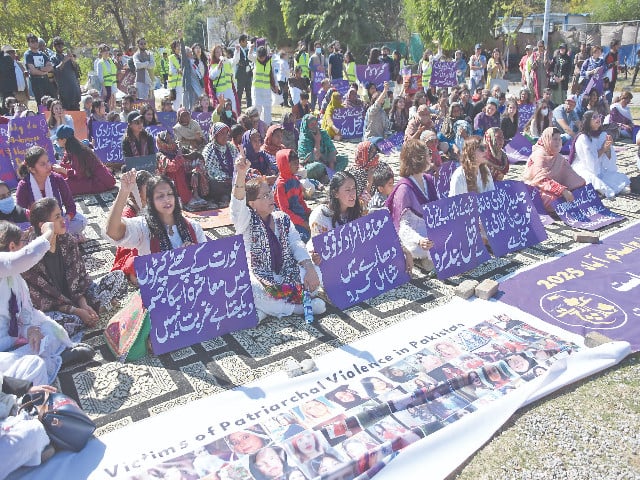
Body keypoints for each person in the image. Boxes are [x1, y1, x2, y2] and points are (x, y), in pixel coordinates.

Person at [231, 152, 324, 322]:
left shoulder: (282, 218)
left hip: (286, 272)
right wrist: (241, 174)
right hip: (260, 277)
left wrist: (309, 268)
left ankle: (266, 310)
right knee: (250, 289)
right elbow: (237, 206)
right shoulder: (246, 221)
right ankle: (297, 308)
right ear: (251, 203)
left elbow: (296, 243)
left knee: (318, 274)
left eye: (270, 193)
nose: (270, 198)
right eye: (264, 196)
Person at [0, 220, 96, 375]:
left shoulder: (68, 243)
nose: (62, 221)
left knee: (50, 330)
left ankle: (53, 356)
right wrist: (47, 233)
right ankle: (49, 361)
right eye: (24, 242)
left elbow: (25, 313)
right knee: (33, 366)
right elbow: (24, 258)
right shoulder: (18, 265)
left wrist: (31, 330)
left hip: (16, 337)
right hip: (4, 349)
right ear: (12, 247)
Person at [22, 198, 127, 336]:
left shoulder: (68, 241)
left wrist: (83, 304)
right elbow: (43, 301)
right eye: (57, 216)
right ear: (43, 226)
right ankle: (92, 312)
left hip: (76, 297)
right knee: (57, 325)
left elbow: (80, 277)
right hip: (56, 309)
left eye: (61, 214)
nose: (63, 220)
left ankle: (91, 310)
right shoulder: (30, 255)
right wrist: (76, 311)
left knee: (118, 277)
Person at [106, 170, 207, 266]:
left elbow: (206, 260)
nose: (167, 200)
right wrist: (123, 192)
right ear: (150, 201)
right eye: (160, 196)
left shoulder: (193, 226)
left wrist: (194, 253)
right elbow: (112, 232)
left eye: (170, 194)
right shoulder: (143, 228)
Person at [385, 139, 435, 270]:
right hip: (413, 235)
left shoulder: (428, 179)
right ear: (418, 159)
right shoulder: (404, 188)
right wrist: (419, 240)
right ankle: (420, 259)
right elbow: (403, 227)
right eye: (428, 153)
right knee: (421, 248)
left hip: (429, 228)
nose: (431, 156)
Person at [16, 146, 87, 238]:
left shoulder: (57, 179)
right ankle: (65, 237)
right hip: (39, 226)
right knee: (20, 232)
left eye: (48, 161)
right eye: (42, 164)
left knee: (81, 221)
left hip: (58, 220)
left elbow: (70, 206)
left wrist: (66, 219)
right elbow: (20, 213)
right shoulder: (24, 186)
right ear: (32, 169)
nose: (48, 166)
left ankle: (58, 237)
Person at [522, 127, 585, 212]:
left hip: (553, 187)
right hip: (535, 188)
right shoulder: (539, 155)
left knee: (579, 191)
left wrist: (580, 183)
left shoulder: (557, 156)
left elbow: (569, 173)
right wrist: (562, 190)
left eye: (559, 139)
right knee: (553, 200)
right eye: (554, 139)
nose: (558, 142)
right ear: (547, 139)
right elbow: (540, 179)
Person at [569, 111, 630, 198]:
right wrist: (603, 149)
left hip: (599, 167)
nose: (598, 119)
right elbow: (590, 162)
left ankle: (604, 189)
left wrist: (608, 148)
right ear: (587, 121)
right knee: (590, 179)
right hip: (584, 167)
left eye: (599, 116)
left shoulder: (603, 134)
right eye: (594, 117)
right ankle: (601, 190)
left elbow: (609, 160)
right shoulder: (583, 137)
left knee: (618, 177)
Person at [111, 170, 152, 284]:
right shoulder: (128, 212)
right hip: (131, 252)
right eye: (147, 188)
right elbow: (125, 245)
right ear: (137, 191)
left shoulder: (150, 205)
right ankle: (133, 275)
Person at [56, 125, 116, 195]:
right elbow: (64, 164)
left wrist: (61, 170)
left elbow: (79, 175)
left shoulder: (77, 151)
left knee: (65, 186)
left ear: (64, 140)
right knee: (60, 181)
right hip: (89, 176)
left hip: (99, 180)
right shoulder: (71, 148)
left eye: (57, 139)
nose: (56, 141)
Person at [156, 130, 208, 209]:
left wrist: (193, 164)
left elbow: (190, 157)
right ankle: (184, 199)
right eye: (168, 139)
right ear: (163, 142)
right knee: (176, 171)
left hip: (184, 176)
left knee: (197, 165)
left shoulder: (176, 149)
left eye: (171, 137)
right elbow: (172, 167)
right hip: (170, 181)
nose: (171, 140)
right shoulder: (161, 155)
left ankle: (196, 195)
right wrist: (179, 156)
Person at [308, 171, 362, 240]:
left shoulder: (359, 208)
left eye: (354, 188)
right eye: (348, 190)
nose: (353, 194)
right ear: (335, 193)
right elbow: (321, 246)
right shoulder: (320, 216)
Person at [298, 114, 348, 182]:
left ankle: (330, 176)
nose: (315, 126)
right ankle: (322, 178)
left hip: (328, 163)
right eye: (312, 124)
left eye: (316, 123)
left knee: (344, 159)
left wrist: (331, 171)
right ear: (307, 126)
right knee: (317, 166)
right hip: (313, 165)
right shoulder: (304, 139)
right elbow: (315, 157)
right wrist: (317, 141)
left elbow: (332, 150)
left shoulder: (323, 133)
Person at [203, 122, 237, 205]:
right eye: (222, 133)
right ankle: (224, 196)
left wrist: (235, 176)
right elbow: (210, 170)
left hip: (232, 178)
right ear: (215, 135)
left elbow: (237, 161)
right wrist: (226, 178)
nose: (225, 136)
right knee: (215, 184)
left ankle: (228, 196)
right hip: (219, 181)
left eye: (226, 133)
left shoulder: (231, 147)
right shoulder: (209, 150)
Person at [250, 46, 279, 125]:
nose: (261, 59)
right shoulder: (255, 59)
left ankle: (267, 125)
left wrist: (276, 85)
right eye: (260, 57)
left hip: (266, 89)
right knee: (257, 107)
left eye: (263, 57)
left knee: (267, 108)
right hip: (257, 89)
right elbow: (249, 56)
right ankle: (255, 124)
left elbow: (273, 74)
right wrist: (251, 48)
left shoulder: (270, 61)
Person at [24, 33, 55, 105]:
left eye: (36, 41)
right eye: (32, 41)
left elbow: (50, 67)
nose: (35, 43)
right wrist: (44, 71)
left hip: (46, 81)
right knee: (41, 103)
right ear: (28, 44)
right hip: (37, 82)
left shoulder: (42, 54)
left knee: (52, 101)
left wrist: (40, 68)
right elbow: (33, 71)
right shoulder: (28, 54)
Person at [50, 37, 80, 111]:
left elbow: (76, 70)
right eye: (58, 44)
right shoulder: (53, 58)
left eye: (61, 44)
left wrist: (72, 60)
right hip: (64, 90)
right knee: (66, 110)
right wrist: (64, 61)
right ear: (54, 46)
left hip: (74, 88)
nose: (60, 46)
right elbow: (55, 71)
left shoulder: (68, 56)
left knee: (77, 111)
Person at [209, 44, 238, 115]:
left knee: (231, 108)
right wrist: (218, 67)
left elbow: (235, 61)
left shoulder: (227, 62)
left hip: (229, 90)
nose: (219, 54)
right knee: (222, 110)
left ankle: (231, 120)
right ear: (214, 54)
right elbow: (211, 76)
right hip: (220, 92)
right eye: (217, 52)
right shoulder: (213, 65)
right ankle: (224, 121)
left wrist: (237, 51)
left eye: (220, 52)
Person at [96, 44, 117, 112]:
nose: (107, 53)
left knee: (113, 103)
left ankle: (111, 114)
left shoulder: (110, 60)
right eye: (105, 51)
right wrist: (104, 88)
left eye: (107, 51)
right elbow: (100, 77)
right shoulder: (100, 63)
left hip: (113, 84)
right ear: (101, 53)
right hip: (106, 85)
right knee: (106, 103)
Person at [234, 34, 253, 108]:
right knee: (240, 92)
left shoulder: (248, 49)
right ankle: (238, 108)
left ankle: (249, 109)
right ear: (241, 42)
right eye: (245, 41)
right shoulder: (237, 49)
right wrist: (245, 64)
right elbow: (237, 61)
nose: (246, 43)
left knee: (249, 92)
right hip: (241, 74)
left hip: (248, 73)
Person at [167, 40, 183, 111]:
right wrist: (178, 70)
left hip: (180, 83)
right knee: (176, 102)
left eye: (179, 46)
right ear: (173, 48)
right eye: (177, 46)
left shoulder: (181, 57)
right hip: (174, 84)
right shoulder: (172, 58)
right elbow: (171, 71)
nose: (179, 48)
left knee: (180, 101)